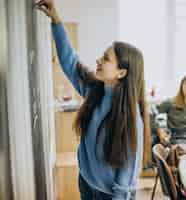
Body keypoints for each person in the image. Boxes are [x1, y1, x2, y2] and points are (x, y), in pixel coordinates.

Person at [35, 1, 150, 199]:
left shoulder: (131, 119)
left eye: (105, 59)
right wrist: (56, 19)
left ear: (121, 72)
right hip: (86, 183)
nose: (98, 60)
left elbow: (126, 177)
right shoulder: (94, 91)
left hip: (108, 195)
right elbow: (70, 62)